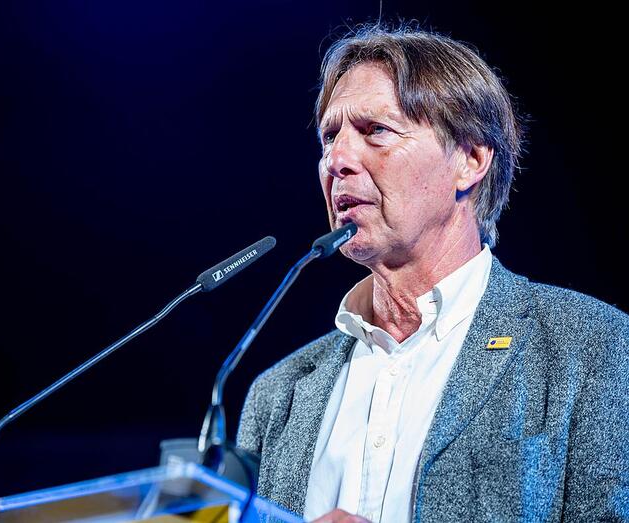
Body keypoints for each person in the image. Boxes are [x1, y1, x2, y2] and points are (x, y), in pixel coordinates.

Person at [236, 25, 629, 523]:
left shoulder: (591, 348)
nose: (337, 160)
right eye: (329, 137)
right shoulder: (277, 394)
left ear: (470, 160)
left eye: (376, 130)